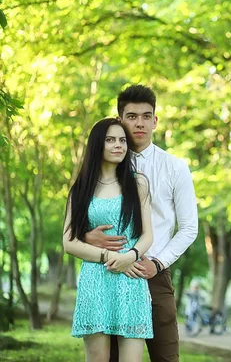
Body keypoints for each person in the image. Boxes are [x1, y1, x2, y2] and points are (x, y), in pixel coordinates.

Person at [85, 84, 199, 362]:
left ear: (155, 121)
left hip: (154, 274)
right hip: (109, 274)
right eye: (132, 116)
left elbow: (189, 228)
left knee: (166, 356)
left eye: (146, 116)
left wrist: (158, 263)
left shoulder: (174, 167)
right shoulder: (97, 170)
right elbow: (81, 218)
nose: (140, 123)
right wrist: (87, 237)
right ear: (119, 120)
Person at [63, 118, 154, 362]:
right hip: (95, 281)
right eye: (110, 140)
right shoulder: (81, 188)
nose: (118, 146)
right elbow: (69, 242)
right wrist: (110, 256)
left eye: (122, 140)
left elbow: (147, 235)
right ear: (97, 145)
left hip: (131, 279)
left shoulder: (138, 183)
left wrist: (130, 256)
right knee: (96, 358)